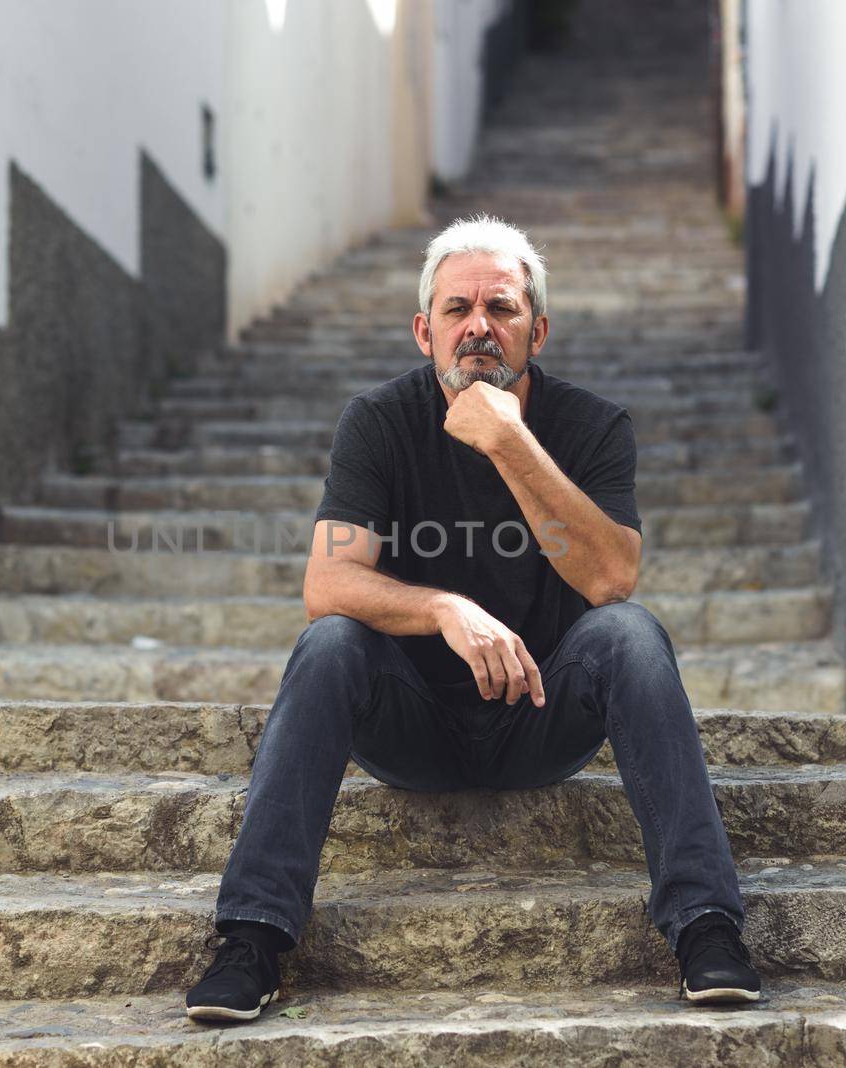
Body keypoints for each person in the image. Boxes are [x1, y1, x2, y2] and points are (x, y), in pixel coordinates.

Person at [185, 214, 760, 1022]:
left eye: (502, 309)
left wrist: (509, 441)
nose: (479, 327)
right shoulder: (379, 423)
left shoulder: (593, 427)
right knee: (329, 644)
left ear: (539, 330)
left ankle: (706, 925)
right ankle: (252, 938)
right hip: (411, 722)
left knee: (631, 636)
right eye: (457, 310)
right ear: (425, 331)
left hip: (540, 715)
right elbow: (327, 582)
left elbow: (610, 577)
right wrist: (447, 609)